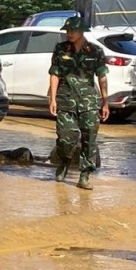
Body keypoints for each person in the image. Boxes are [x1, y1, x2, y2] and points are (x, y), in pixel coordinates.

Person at [47, 16, 110, 190]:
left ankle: (84, 175)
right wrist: (52, 98)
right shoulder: (60, 49)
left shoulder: (95, 51)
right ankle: (65, 161)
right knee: (65, 138)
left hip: (88, 101)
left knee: (90, 138)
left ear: (82, 31)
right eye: (67, 31)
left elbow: (102, 77)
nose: (69, 34)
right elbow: (54, 74)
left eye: (73, 30)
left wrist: (105, 102)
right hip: (65, 100)